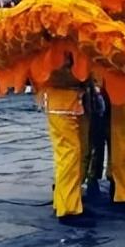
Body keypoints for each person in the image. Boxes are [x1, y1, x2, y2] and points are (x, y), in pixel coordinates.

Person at [41, 55, 94, 227]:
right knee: (69, 154)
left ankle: (67, 200)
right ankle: (68, 209)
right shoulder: (52, 44)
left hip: (76, 100)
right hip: (61, 103)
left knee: (78, 152)